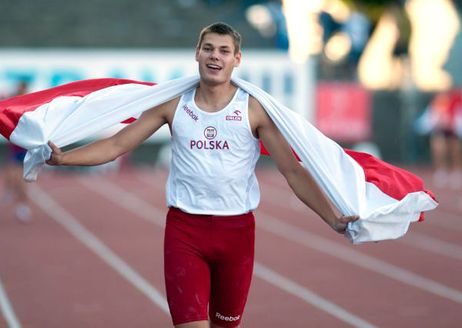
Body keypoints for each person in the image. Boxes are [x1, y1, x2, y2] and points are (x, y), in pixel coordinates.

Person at [46, 22, 358, 328]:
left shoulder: (253, 110)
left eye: (224, 51)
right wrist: (63, 159)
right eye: (208, 48)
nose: (215, 56)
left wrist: (332, 218)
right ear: (197, 53)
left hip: (236, 233)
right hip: (185, 231)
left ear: (237, 60)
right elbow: (116, 144)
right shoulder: (172, 104)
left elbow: (292, 170)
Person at [2, 80, 32, 222]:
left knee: (21, 179)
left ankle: (23, 206)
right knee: (12, 175)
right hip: (14, 146)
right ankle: (11, 193)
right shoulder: (12, 103)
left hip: (25, 147)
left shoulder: (30, 105)